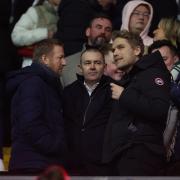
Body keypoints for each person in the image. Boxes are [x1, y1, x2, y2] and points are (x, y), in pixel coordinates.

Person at [102, 30, 171, 176]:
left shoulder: (151, 73)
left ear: (137, 50)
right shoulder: (132, 77)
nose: (115, 53)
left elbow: (160, 109)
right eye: (113, 49)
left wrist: (124, 95)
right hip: (125, 154)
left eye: (121, 47)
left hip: (140, 154)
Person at [6, 39, 67, 173]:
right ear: (44, 59)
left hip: (39, 163)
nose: (64, 62)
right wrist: (56, 146)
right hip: (32, 165)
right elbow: (31, 124)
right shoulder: (32, 83)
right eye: (60, 57)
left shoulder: (47, 83)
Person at [63, 48, 114, 176]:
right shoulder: (68, 92)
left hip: (103, 165)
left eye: (97, 62)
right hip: (72, 164)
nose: (92, 67)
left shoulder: (115, 91)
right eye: (87, 63)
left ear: (105, 67)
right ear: (80, 67)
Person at [61, 13, 113, 87]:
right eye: (99, 27)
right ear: (88, 31)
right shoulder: (67, 63)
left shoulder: (116, 63)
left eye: (108, 29)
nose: (103, 32)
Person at [11, 0, 61, 67]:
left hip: (55, 65)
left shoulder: (64, 11)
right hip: (32, 64)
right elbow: (16, 36)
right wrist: (45, 33)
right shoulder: (36, 11)